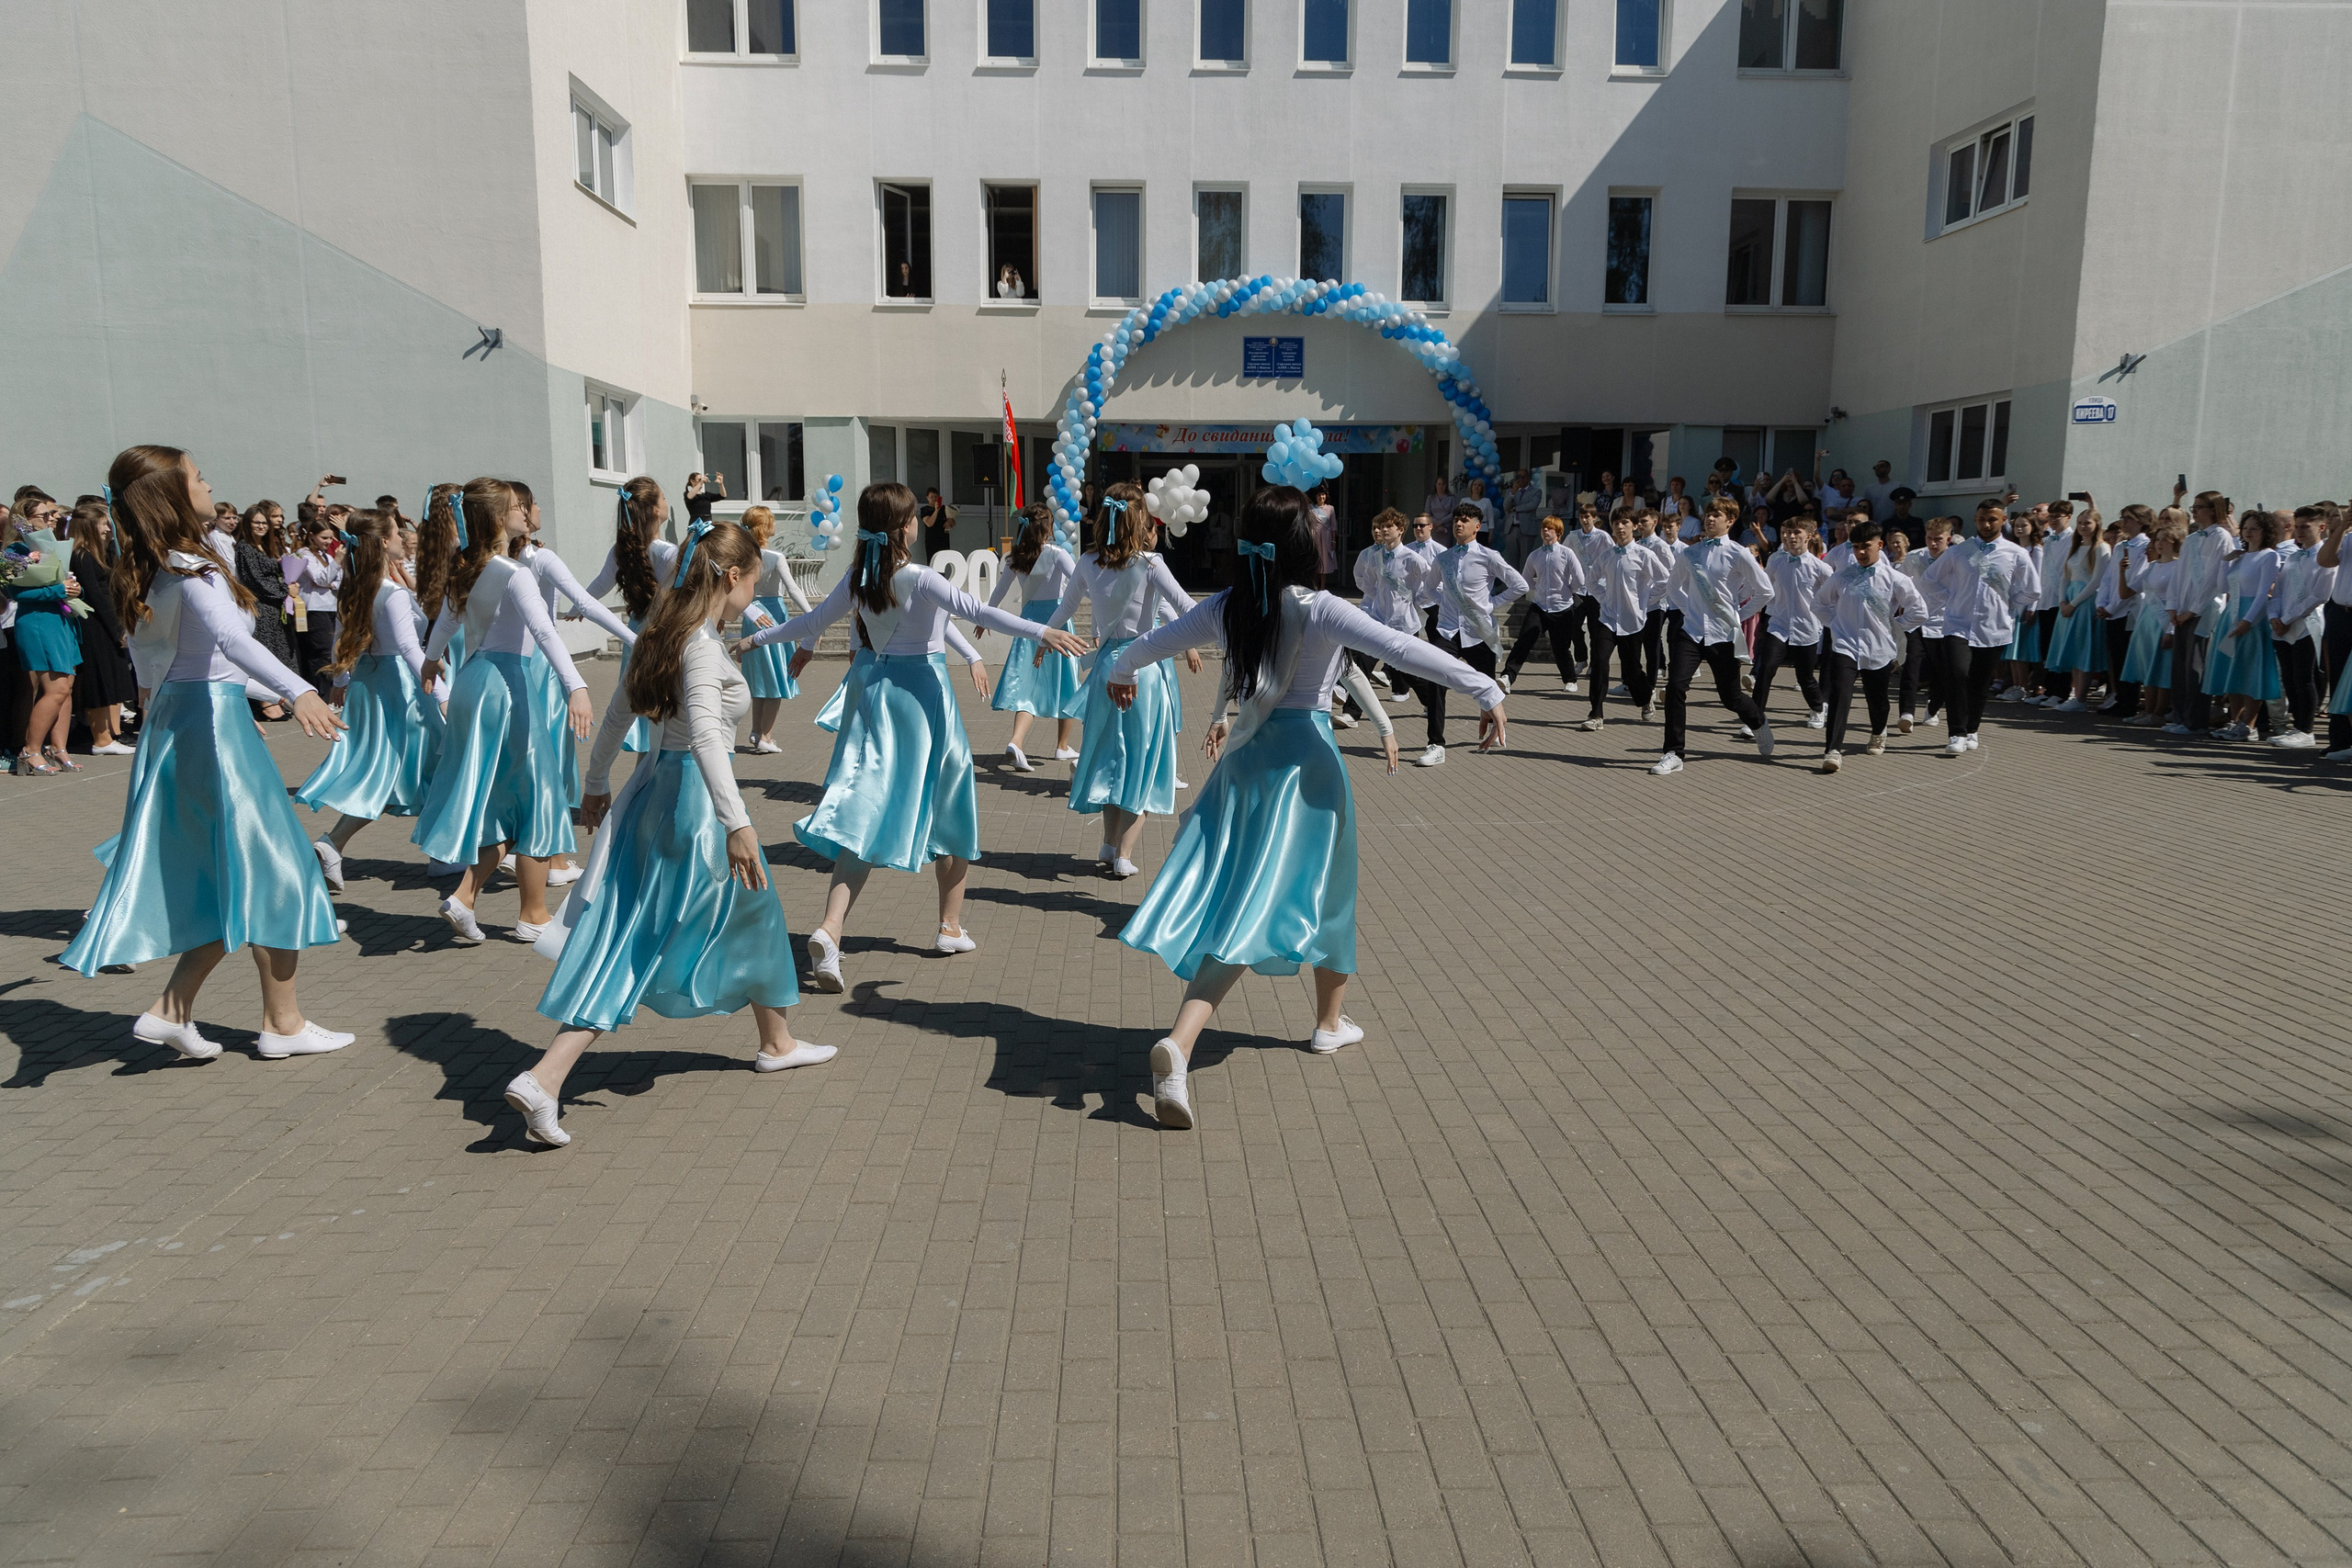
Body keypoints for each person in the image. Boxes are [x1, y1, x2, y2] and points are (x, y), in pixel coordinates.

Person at [1102, 485, 1507, 1131]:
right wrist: (1486, 687)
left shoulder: (1230, 604)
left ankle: (1327, 1020)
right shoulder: (1319, 608)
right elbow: (1402, 649)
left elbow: (1154, 641)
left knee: (1270, 897)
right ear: (1302, 544)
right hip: (1307, 770)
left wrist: (1121, 668)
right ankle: (1183, 1041)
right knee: (1299, 898)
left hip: (1246, 767)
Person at [507, 521, 835, 1148]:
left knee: (754, 910)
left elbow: (616, 716)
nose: (754, 593)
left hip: (659, 794)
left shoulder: (661, 634)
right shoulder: (700, 646)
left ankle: (777, 1041)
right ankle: (546, 1076)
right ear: (732, 577)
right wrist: (737, 823)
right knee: (644, 940)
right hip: (695, 805)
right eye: (753, 581)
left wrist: (596, 781)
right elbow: (707, 736)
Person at [62, 446, 351, 1059]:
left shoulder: (155, 567)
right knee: (281, 870)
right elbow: (226, 641)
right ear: (171, 494)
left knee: (233, 875)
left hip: (188, 721)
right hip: (212, 730)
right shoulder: (191, 567)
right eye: (197, 476)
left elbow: (190, 666)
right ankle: (281, 1024)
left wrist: (260, 695)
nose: (209, 483)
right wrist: (298, 690)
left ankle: (177, 1010)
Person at [739, 483, 1086, 990]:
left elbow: (812, 622)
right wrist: (1042, 631)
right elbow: (979, 612)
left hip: (879, 696)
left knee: (866, 807)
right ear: (905, 527)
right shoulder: (921, 577)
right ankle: (949, 927)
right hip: (925, 697)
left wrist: (755, 638)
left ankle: (831, 929)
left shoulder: (860, 576)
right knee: (953, 802)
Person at [413, 479, 598, 944]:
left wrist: (431, 661)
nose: (525, 512)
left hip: (473, 681)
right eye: (517, 506)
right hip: (506, 684)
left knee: (503, 802)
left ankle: (464, 897)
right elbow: (544, 631)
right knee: (537, 796)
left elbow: (446, 623)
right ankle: (533, 915)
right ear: (499, 519)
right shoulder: (514, 572)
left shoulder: (468, 569)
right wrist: (575, 684)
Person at [1043, 485, 1203, 877]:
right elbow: (1188, 608)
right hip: (1143, 671)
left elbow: (1065, 608)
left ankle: (1109, 843)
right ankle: (1124, 854)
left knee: (1109, 757)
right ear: (1140, 521)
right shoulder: (1151, 564)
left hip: (1104, 671)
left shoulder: (1087, 561)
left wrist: (1043, 638)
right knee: (1143, 763)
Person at [296, 510, 447, 887]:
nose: (402, 538)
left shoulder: (356, 587)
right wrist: (443, 694)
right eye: (397, 533)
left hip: (369, 683)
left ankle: (440, 852)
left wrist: (342, 679)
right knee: (431, 763)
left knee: (397, 770)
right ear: (382, 542)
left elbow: (340, 637)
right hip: (401, 688)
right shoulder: (392, 593)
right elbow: (410, 649)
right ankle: (443, 853)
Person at [1650, 498, 1774, 775]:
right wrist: (1690, 610)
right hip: (1691, 632)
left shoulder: (1739, 553)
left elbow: (1765, 591)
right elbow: (1673, 587)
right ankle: (1674, 752)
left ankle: (1757, 722)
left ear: (1730, 521)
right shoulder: (1691, 553)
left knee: (1731, 697)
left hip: (1723, 635)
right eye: (1708, 514)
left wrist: (1738, 616)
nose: (1709, 519)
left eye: (1716, 515)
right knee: (1675, 687)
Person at [1920, 500, 2040, 754]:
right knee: (1957, 674)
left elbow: (2032, 590)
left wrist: (2009, 603)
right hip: (1958, 625)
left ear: (2003, 520)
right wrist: (1949, 598)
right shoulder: (1959, 551)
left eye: (1992, 519)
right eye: (1981, 519)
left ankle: (1971, 729)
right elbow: (1929, 579)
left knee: (1979, 683)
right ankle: (1956, 733)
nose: (1986, 524)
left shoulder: (2015, 553)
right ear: (1975, 519)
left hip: (1993, 628)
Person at [1811, 522, 1929, 773]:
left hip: (1879, 648)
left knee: (1877, 699)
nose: (1861, 552)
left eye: (1866, 546)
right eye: (1856, 547)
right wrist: (1836, 624)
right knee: (1840, 693)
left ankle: (1878, 731)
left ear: (1879, 545)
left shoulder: (1895, 579)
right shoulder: (1842, 577)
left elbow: (1919, 611)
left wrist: (1895, 628)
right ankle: (1832, 750)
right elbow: (1819, 604)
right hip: (1845, 645)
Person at [1417, 502, 1526, 767]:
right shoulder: (1443, 558)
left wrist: (1491, 604)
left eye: (1465, 520)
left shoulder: (1489, 556)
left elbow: (1520, 585)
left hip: (1478, 632)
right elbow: (1428, 589)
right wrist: (1444, 603)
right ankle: (1436, 744)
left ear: (1477, 527)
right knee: (1436, 680)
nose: (1458, 523)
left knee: (1486, 686)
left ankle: (1494, 725)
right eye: (1456, 519)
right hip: (1447, 630)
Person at [980, 503, 1082, 770]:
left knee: (1027, 684)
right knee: (1066, 682)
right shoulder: (1058, 554)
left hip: (1028, 624)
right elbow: (1080, 582)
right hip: (1057, 623)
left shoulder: (1016, 557)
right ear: (1048, 527)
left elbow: (999, 591)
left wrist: (984, 617)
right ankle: (1062, 746)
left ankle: (1017, 741)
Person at [586, 478, 680, 754]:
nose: (666, 502)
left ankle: (643, 772)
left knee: (641, 705)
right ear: (655, 510)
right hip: (662, 634)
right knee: (665, 713)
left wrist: (577, 606)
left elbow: (600, 584)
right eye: (663, 497)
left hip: (636, 631)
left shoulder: (623, 550)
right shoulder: (668, 552)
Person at [736, 504, 814, 754]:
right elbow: (793, 589)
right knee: (777, 678)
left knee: (760, 677)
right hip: (774, 618)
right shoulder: (775, 557)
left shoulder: (742, 556)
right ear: (765, 527)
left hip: (751, 615)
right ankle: (766, 737)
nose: (775, 525)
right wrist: (813, 616)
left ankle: (755, 730)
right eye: (772, 521)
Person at [1581, 511, 1668, 731]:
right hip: (1608, 618)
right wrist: (1604, 598)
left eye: (1625, 523)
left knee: (1631, 670)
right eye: (1616, 523)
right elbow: (1591, 581)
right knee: (1599, 661)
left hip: (1632, 621)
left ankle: (1645, 697)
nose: (1620, 527)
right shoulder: (1607, 555)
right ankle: (1596, 714)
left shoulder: (1644, 555)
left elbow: (1664, 581)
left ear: (1635, 526)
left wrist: (1645, 601)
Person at [2203, 510, 2283, 739]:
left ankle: (2249, 725)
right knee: (2233, 669)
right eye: (2246, 528)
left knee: (2250, 670)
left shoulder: (2269, 556)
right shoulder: (2241, 556)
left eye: (2254, 528)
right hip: (2232, 613)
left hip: (2251, 617)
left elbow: (2262, 593)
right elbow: (2223, 587)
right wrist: (2225, 561)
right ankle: (2234, 721)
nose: (2248, 532)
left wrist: (2248, 621)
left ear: (2265, 532)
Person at [65, 500, 137, 755]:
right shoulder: (82, 555)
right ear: (89, 526)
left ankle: (109, 734)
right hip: (95, 624)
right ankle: (101, 739)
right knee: (99, 679)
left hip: (106, 620)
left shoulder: (99, 554)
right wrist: (117, 629)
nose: (108, 529)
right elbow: (96, 596)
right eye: (103, 524)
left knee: (111, 677)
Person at [2165, 491, 2237, 736]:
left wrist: (2193, 609)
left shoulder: (2222, 537)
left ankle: (2195, 721)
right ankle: (2179, 716)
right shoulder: (2193, 539)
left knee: (2196, 668)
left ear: (2213, 510)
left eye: (2199, 507)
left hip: (2204, 611)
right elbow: (2178, 574)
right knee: (2180, 668)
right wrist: (2173, 606)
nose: (2194, 511)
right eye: (2193, 507)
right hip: (2182, 609)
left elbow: (2213, 579)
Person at [1754, 517, 1830, 729]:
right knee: (1766, 669)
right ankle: (1755, 719)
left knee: (1805, 677)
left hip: (1806, 628)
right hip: (1778, 624)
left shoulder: (1820, 568)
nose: (1791, 536)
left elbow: (1833, 596)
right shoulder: (1776, 560)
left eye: (1797, 532)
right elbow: (1765, 586)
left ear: (1809, 536)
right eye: (1788, 532)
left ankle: (1817, 707)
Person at [2266, 506, 2332, 749]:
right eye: (2298, 526)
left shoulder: (2325, 556)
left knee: (2304, 678)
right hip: (2283, 624)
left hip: (2306, 624)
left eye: (2306, 527)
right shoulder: (2294, 556)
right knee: (2289, 677)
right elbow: (2279, 590)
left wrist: (2288, 618)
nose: (2300, 531)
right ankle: (2296, 727)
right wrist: (2274, 615)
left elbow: (2319, 595)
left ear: (2321, 527)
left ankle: (2306, 729)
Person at [1501, 514, 1585, 696]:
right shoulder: (1535, 555)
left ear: (1559, 532)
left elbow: (1579, 579)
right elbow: (1525, 579)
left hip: (1562, 608)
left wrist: (1568, 591)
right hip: (1539, 606)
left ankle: (1570, 680)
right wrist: (1537, 590)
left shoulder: (1566, 553)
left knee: (1560, 647)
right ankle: (1507, 677)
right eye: (1543, 528)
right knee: (1524, 640)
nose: (1545, 531)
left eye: (1550, 528)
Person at [2041, 507, 2112, 711]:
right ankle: (2074, 694)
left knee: (2083, 649)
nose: (2082, 526)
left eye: (2087, 523)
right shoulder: (2076, 546)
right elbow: (2065, 576)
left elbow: (2096, 580)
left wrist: (2074, 603)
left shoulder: (2102, 548)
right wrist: (2063, 600)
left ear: (2096, 525)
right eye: (2080, 523)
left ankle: (2081, 698)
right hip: (2069, 599)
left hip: (2085, 600)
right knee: (2072, 649)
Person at [2117, 517, 2183, 727]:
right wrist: (2122, 571)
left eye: (2166, 540)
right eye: (2158, 539)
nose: (2160, 543)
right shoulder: (2151, 567)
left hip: (2164, 622)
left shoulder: (2180, 567)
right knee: (2148, 668)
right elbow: (2126, 593)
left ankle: (2158, 712)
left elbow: (2179, 600)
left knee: (2162, 669)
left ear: (2175, 543)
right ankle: (2147, 710)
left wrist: (2171, 630)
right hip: (2146, 622)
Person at [285, 521, 343, 698]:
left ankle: (329, 692)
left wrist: (331, 583)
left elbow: (339, 579)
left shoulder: (327, 556)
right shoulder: (304, 554)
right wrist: (337, 563)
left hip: (331, 607)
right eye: (324, 538)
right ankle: (322, 694)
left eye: (330, 538)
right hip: (314, 609)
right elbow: (321, 578)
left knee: (331, 651)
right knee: (320, 651)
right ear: (312, 536)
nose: (328, 542)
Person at [2318, 505, 2352, 761]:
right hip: (2341, 614)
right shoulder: (2347, 538)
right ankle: (2340, 740)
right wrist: (2341, 528)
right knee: (2339, 679)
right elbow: (2325, 560)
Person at [1503, 468, 1544, 566]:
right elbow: (1506, 507)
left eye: (1523, 477)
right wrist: (1513, 493)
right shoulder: (1511, 491)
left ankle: (1525, 576)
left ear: (1528, 478)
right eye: (1518, 477)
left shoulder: (1536, 491)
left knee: (1526, 560)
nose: (1520, 479)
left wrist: (1515, 509)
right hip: (1512, 529)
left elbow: (1532, 505)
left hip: (1527, 529)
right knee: (1512, 560)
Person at [1306, 486, 1337, 589]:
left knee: (1324, 563)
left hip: (1325, 538)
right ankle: (1314, 587)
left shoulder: (1330, 508)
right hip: (1314, 536)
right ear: (1315, 497)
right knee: (1315, 563)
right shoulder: (1310, 508)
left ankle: (1323, 588)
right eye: (1319, 495)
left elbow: (1333, 526)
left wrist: (1333, 540)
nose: (1321, 497)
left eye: (1323, 495)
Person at [1859, 459, 1899, 523]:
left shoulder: (1897, 486)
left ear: (1888, 468)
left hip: (1892, 523)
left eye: (1881, 466)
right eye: (1876, 467)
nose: (1878, 468)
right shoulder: (1869, 489)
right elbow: (1865, 507)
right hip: (1873, 524)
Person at [921, 487, 953, 559]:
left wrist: (949, 521)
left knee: (944, 560)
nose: (934, 499)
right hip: (932, 540)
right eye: (932, 497)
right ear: (927, 498)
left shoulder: (944, 509)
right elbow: (929, 523)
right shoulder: (925, 510)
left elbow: (953, 523)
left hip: (943, 539)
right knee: (933, 560)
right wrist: (936, 511)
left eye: (936, 497)